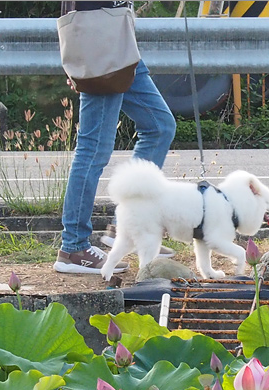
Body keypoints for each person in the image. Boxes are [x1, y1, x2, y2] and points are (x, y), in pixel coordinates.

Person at [54, 0, 177, 275]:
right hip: (100, 41)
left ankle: (127, 228)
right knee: (93, 148)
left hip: (119, 40)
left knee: (160, 127)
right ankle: (73, 248)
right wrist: (76, 56)